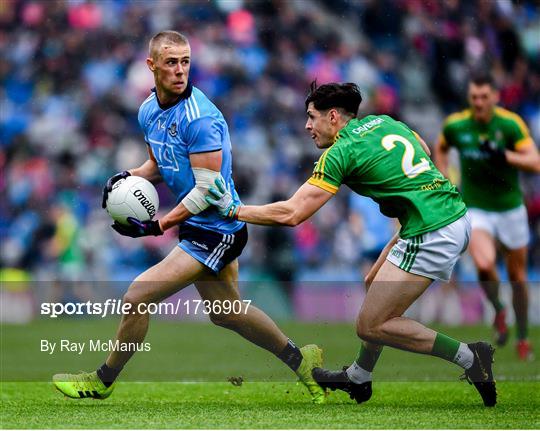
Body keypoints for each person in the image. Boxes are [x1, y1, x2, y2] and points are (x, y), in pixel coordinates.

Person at [52, 31, 325, 404]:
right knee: (228, 313)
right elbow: (160, 163)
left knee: (136, 297)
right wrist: (127, 176)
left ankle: (102, 380)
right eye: (171, 62)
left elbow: (206, 191)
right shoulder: (148, 110)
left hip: (219, 228)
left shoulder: (201, 118)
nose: (180, 71)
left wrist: (159, 224)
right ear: (152, 66)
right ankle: (302, 360)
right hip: (198, 226)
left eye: (185, 62)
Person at [205, 81, 497, 407]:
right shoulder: (384, 121)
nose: (306, 126)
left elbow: (292, 213)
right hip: (442, 213)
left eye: (311, 117)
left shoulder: (340, 152)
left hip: (433, 229)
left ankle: (471, 358)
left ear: (332, 117)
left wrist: (234, 210)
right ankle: (359, 377)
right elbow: (423, 149)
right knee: (373, 282)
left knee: (369, 325)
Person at [434, 74, 540, 360]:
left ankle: (521, 337)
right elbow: (440, 148)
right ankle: (498, 308)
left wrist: (504, 156)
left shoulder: (509, 124)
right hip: (476, 208)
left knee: (518, 278)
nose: (479, 103)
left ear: (495, 97)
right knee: (483, 265)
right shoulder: (456, 125)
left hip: (510, 209)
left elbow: (535, 162)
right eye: (474, 98)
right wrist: (444, 177)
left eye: (484, 97)